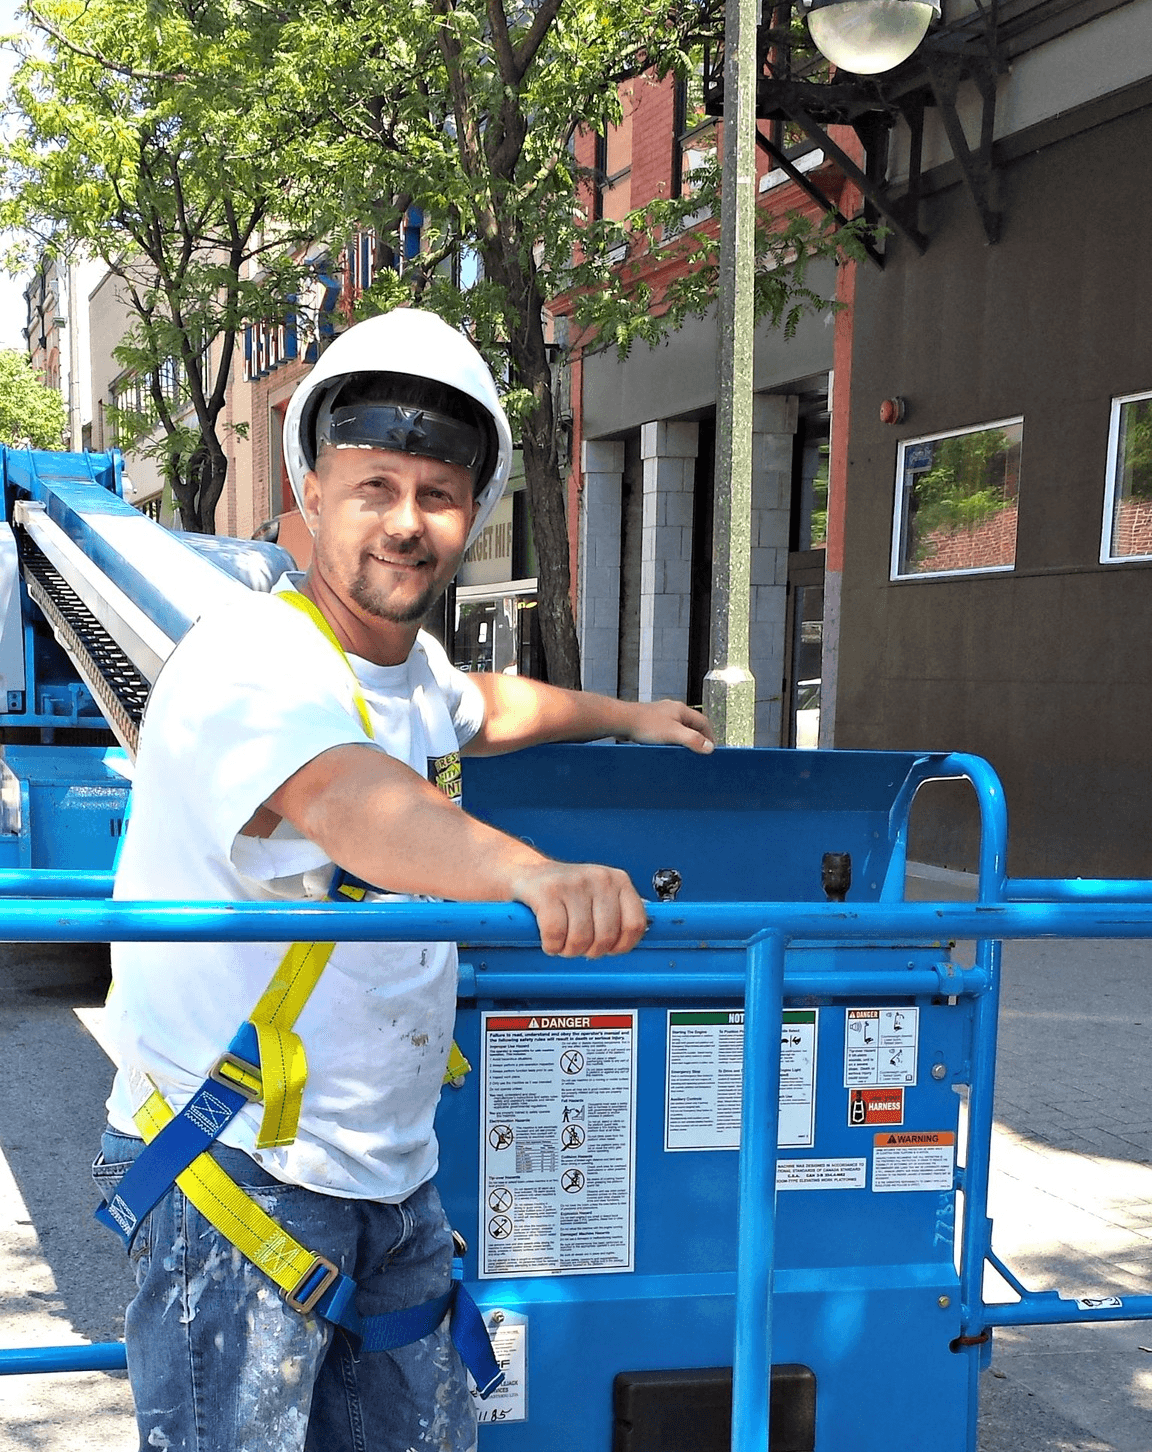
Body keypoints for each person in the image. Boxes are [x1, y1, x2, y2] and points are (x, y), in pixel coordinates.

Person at [94, 308, 714, 1452]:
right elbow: (355, 804)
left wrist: (630, 716)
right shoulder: (249, 658)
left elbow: (498, 706)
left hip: (391, 1170)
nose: (408, 521)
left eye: (439, 493)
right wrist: (537, 876)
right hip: (240, 1172)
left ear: (472, 512)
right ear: (307, 499)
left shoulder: (416, 671)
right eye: (374, 484)